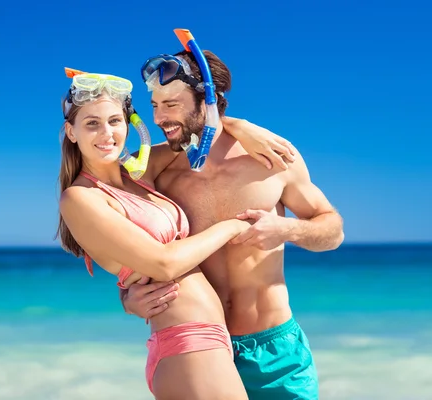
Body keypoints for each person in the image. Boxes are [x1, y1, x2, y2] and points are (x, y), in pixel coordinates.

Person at [56, 69, 293, 399]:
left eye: (114, 121)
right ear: (71, 132)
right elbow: (164, 264)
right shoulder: (80, 197)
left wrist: (243, 128)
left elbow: (203, 135)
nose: (106, 133)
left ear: (130, 124)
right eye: (92, 123)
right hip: (186, 340)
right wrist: (235, 226)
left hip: (209, 338)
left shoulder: (139, 173)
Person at [122, 48, 344, 400]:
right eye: (155, 106)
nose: (160, 118)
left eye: (172, 104)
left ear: (208, 99)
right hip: (199, 349)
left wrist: (286, 230)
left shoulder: (272, 158)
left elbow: (332, 231)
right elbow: (112, 231)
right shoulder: (155, 171)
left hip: (274, 351)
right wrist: (127, 297)